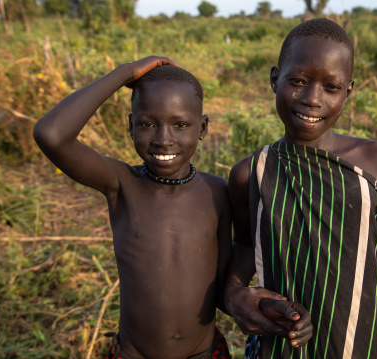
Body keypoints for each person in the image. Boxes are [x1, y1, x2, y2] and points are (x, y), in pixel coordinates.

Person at [225, 18, 377, 358]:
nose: (312, 99)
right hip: (282, 347)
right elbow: (244, 245)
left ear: (348, 91)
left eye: (331, 87)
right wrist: (232, 293)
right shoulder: (251, 173)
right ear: (275, 79)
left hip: (367, 345)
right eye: (298, 81)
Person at [33, 57, 234, 358]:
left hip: (205, 353)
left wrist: (249, 299)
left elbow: (223, 286)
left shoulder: (217, 191)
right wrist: (124, 73)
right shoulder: (122, 184)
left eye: (180, 125)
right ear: (130, 125)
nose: (163, 140)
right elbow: (51, 135)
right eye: (147, 124)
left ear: (202, 128)